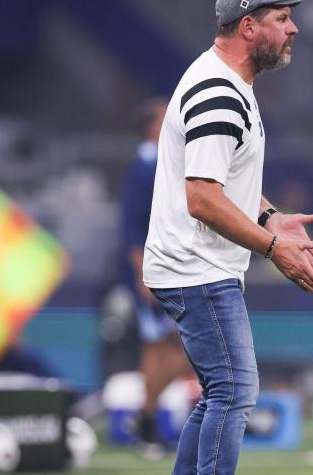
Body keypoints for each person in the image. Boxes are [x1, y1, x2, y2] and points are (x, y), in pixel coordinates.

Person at [142, 0, 313, 475]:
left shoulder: (228, 81)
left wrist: (269, 215)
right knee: (235, 390)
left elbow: (222, 181)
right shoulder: (218, 92)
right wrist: (272, 247)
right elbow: (202, 198)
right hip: (196, 268)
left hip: (197, 265)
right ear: (249, 27)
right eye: (282, 19)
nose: (295, 29)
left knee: (221, 394)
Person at [120, 97, 193, 458]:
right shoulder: (145, 166)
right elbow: (132, 228)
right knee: (176, 347)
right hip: (153, 269)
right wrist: (142, 275)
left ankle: (145, 419)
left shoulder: (161, 163)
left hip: (167, 265)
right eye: (166, 117)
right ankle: (145, 419)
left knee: (167, 348)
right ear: (152, 126)